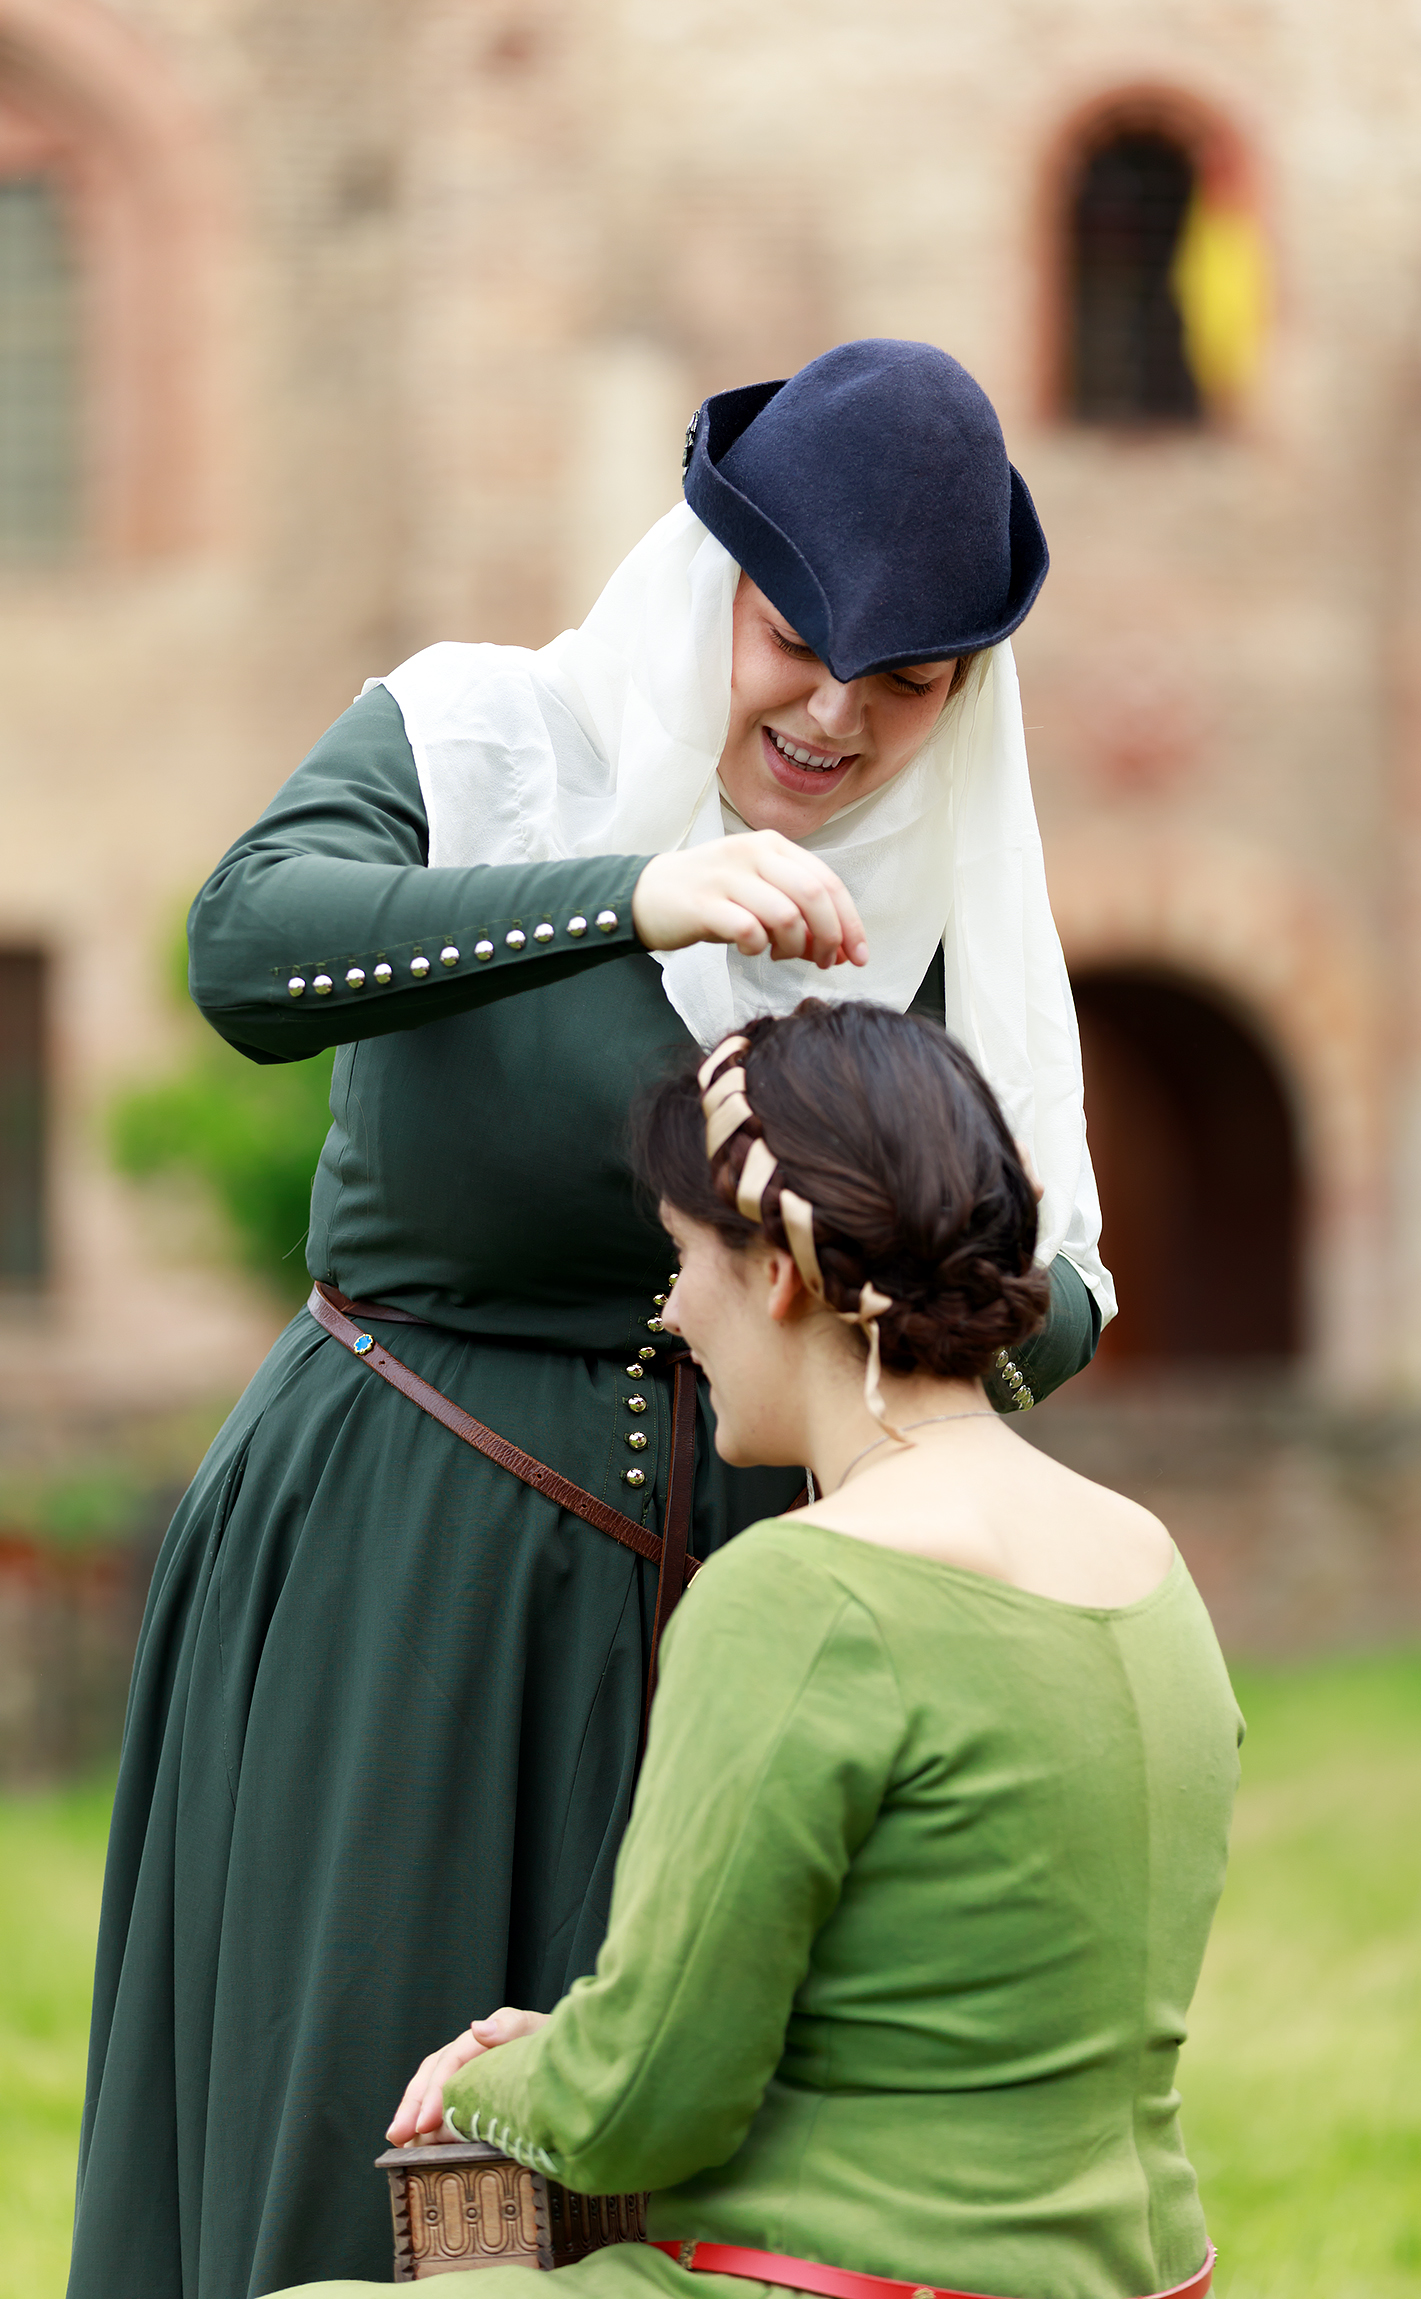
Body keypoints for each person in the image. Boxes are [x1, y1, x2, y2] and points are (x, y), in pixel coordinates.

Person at [69, 341, 1115, 2298]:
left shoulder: (952, 886)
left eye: (907, 679)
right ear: (707, 575)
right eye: (798, 637)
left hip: (775, 1610)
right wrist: (637, 893)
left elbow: (1052, 1300)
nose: (837, 711)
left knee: (701, 2180)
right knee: (367, 2162)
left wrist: (873, 1287)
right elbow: (245, 945)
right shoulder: (486, 738)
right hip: (405, 1555)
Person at [273, 1000, 1241, 2299]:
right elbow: (957, 1987)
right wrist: (590, 2033)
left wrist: (500, 2079)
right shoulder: (1145, 1563)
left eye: (681, 1260)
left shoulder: (804, 1592)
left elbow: (643, 2106)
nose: (670, 1314)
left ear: (776, 1272)